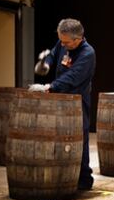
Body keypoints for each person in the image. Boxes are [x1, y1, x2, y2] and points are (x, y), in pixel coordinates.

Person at [30, 18, 96, 190]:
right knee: (58, 138)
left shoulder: (87, 54)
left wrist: (48, 87)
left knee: (78, 138)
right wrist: (46, 64)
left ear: (78, 39)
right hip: (58, 99)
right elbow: (53, 54)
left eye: (66, 42)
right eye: (61, 40)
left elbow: (72, 77)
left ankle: (83, 178)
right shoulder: (63, 43)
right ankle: (63, 174)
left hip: (77, 102)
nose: (62, 44)